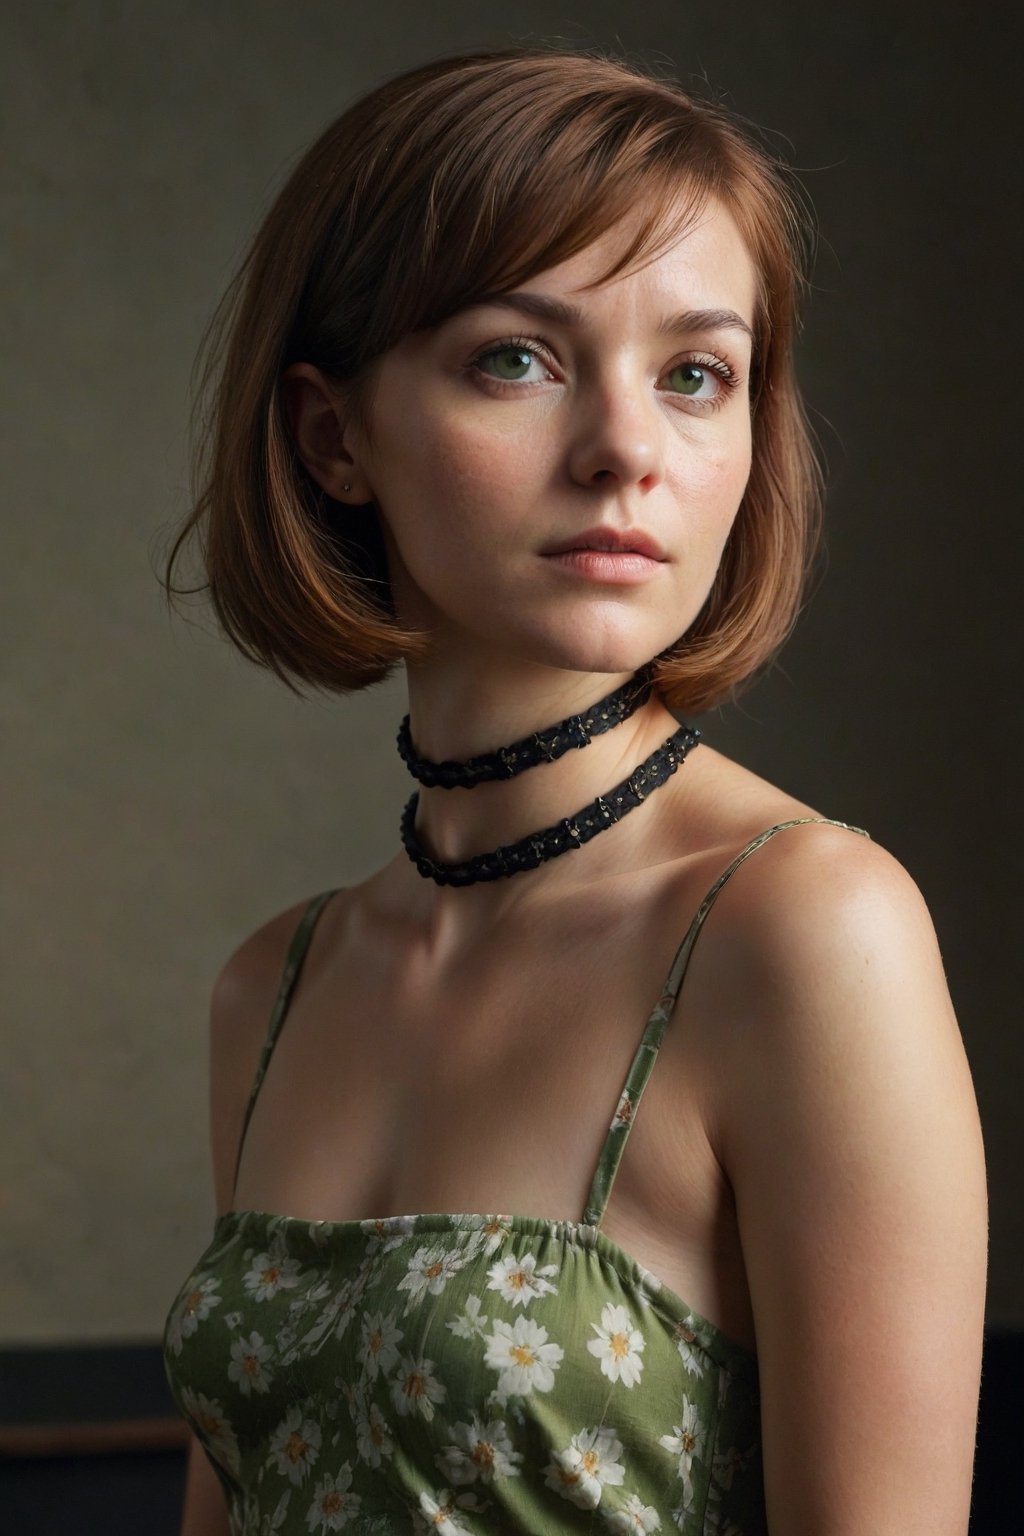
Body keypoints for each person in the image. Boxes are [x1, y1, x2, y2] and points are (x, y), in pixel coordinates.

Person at [161, 48, 987, 1536]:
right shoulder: (272, 987)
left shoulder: (807, 928)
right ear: (330, 436)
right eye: (517, 359)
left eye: (695, 375)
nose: (626, 454)